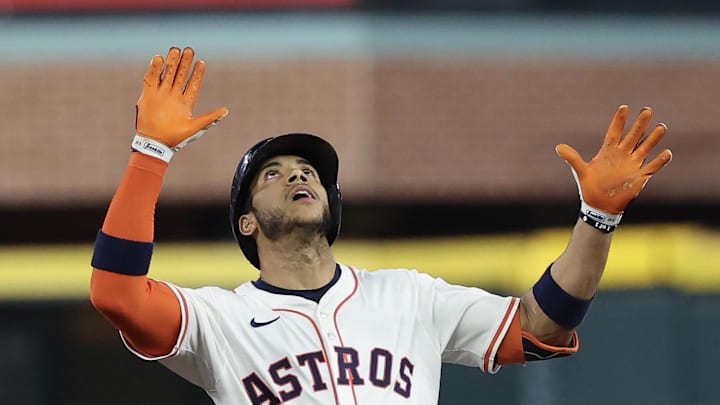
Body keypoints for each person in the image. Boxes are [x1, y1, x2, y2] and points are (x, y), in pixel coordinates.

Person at [89, 47, 673, 405]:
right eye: (273, 173)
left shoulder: (409, 297)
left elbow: (541, 327)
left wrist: (597, 219)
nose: (300, 176)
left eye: (309, 170)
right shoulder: (220, 320)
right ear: (246, 221)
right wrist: (150, 153)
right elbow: (116, 293)